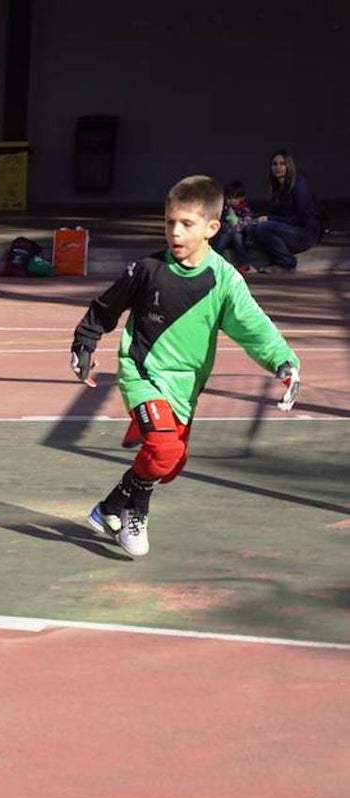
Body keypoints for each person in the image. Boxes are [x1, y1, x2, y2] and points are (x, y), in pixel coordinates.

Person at [70, 175, 301, 558]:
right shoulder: (147, 269)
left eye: (186, 224)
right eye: (169, 222)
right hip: (142, 373)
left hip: (184, 387)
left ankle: (110, 507)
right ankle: (135, 513)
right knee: (162, 449)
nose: (175, 232)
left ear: (212, 228)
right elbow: (105, 307)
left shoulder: (224, 280)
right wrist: (84, 343)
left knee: (171, 462)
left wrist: (283, 361)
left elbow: (253, 326)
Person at [245, 150, 321, 273]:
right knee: (252, 229)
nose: (278, 167)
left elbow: (300, 218)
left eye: (282, 164)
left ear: (289, 166)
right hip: (287, 230)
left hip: (304, 232)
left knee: (263, 228)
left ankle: (286, 262)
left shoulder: (299, 184)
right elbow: (278, 216)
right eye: (274, 164)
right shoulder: (276, 188)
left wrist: (269, 220)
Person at [210, 180, 254, 273]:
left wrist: (236, 228)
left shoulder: (244, 209)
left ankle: (243, 264)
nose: (230, 201)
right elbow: (220, 222)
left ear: (241, 198)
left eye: (233, 198)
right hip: (226, 234)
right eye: (228, 198)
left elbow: (247, 222)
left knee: (237, 237)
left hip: (239, 235)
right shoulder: (224, 209)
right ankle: (211, 260)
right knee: (221, 241)